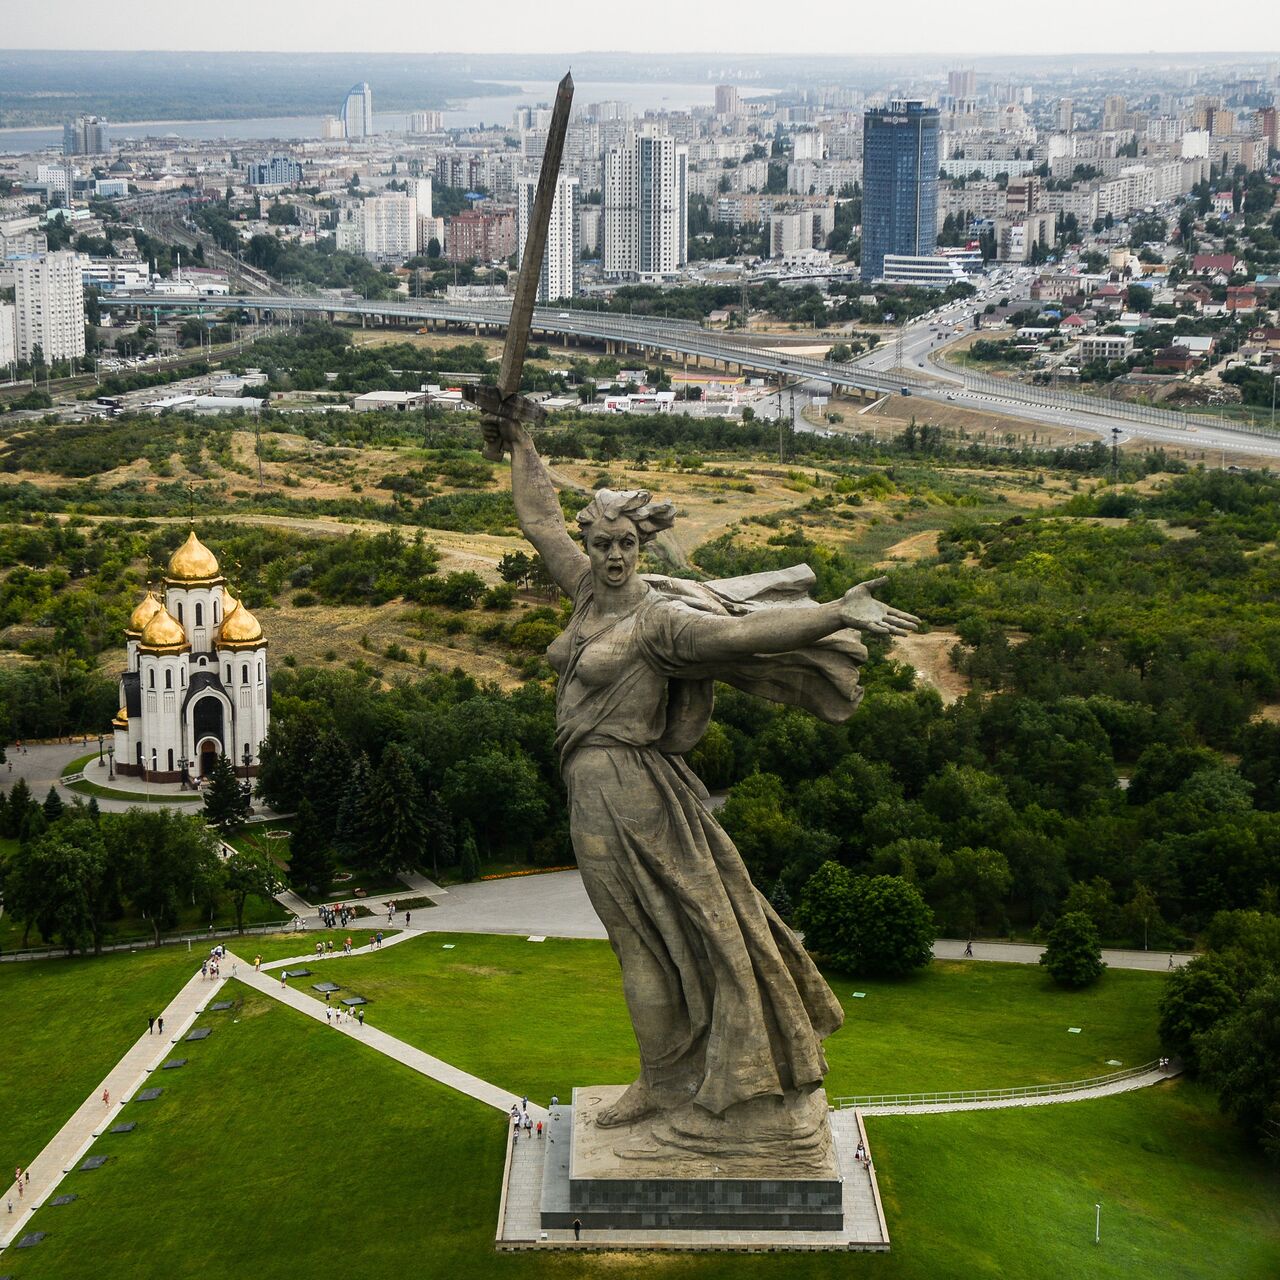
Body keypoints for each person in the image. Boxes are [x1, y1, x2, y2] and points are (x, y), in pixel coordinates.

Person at [485, 414, 918, 1148]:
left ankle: (668, 1083)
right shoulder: (588, 592)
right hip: (598, 786)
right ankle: (666, 1078)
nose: (614, 556)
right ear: (590, 548)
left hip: (629, 792)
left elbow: (744, 637)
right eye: (602, 544)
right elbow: (537, 516)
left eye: (626, 544)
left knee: (648, 942)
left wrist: (833, 614)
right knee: (650, 941)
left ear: (641, 545)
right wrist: (519, 437)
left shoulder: (661, 623)